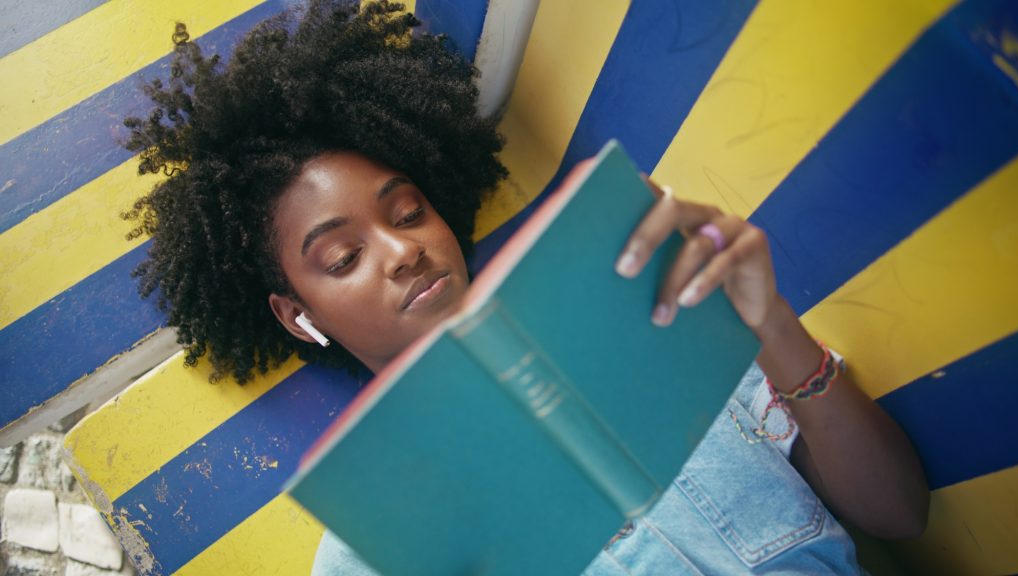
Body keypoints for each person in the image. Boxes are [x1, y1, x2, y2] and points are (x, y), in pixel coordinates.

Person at [124, 1, 929, 573]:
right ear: (299, 317)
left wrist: (773, 325)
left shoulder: (653, 321)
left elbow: (899, 515)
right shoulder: (371, 548)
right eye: (342, 259)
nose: (402, 250)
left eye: (408, 211)